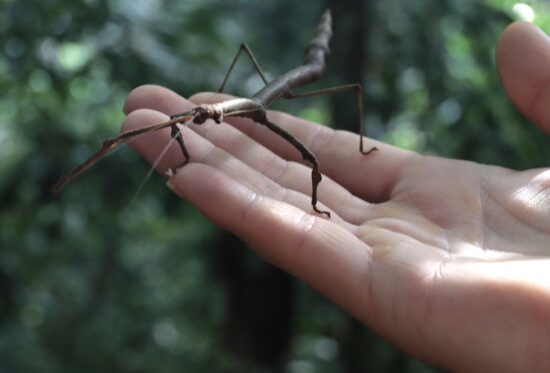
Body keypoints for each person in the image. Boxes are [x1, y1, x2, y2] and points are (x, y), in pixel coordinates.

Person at [122, 21, 550, 371]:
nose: (205, 118)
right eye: (206, 117)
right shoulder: (231, 112)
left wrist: (312, 206)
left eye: (209, 115)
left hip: (304, 73)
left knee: (312, 155)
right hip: (263, 96)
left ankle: (318, 186)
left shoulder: (257, 108)